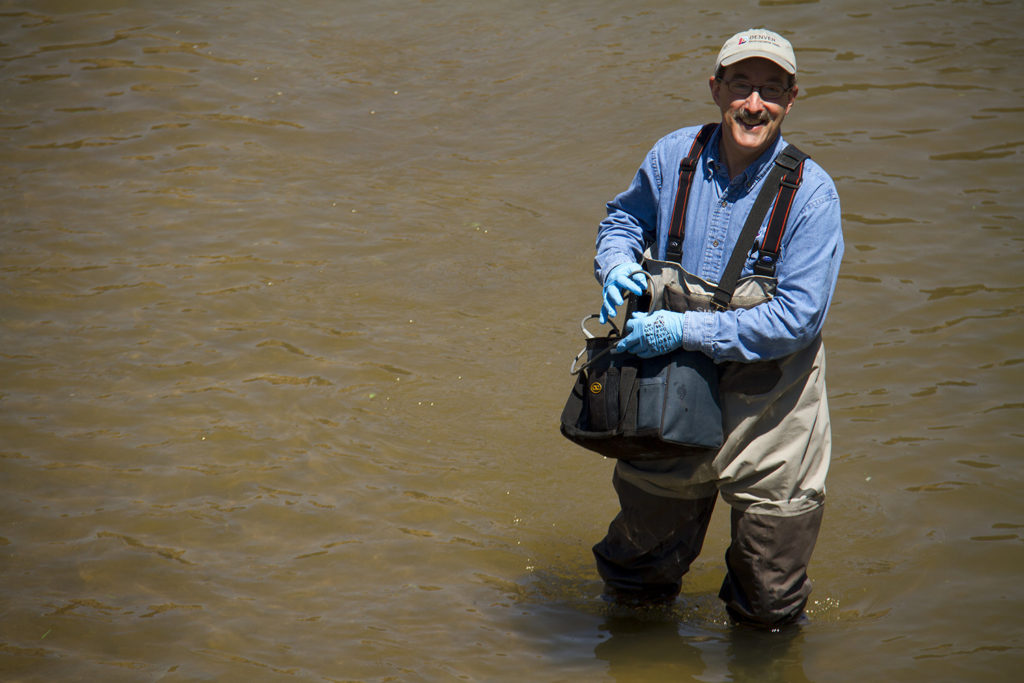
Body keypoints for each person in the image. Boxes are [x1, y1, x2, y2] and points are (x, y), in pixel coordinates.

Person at [591, 28, 844, 628]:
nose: (754, 104)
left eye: (771, 90)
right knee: (636, 582)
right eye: (742, 85)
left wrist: (680, 330)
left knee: (768, 608)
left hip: (772, 419)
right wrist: (616, 264)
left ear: (792, 98)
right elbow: (623, 219)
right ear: (716, 89)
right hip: (667, 405)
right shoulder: (671, 156)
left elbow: (797, 318)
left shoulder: (813, 194)